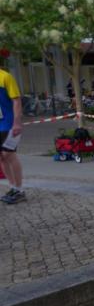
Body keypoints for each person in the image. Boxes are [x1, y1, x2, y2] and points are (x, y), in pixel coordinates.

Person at [0, 65, 24, 204]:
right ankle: (13, 187)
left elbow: (16, 100)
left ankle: (19, 190)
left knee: (9, 154)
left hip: (8, 124)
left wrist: (17, 122)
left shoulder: (5, 77)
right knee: (2, 158)